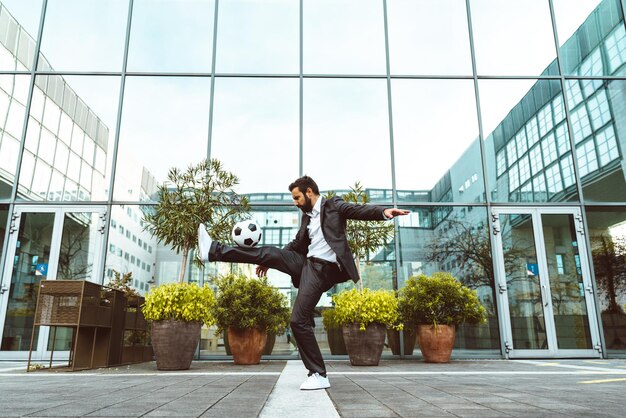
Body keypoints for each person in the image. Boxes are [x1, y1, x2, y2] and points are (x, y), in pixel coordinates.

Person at [197, 175, 409, 390]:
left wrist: (383, 212)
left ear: (309, 192)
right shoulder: (307, 218)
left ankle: (318, 374)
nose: (295, 202)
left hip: (323, 270)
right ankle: (213, 250)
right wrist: (270, 261)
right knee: (269, 252)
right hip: (307, 265)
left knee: (298, 321)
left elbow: (357, 210)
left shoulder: (333, 205)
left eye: (297, 197)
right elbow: (298, 244)